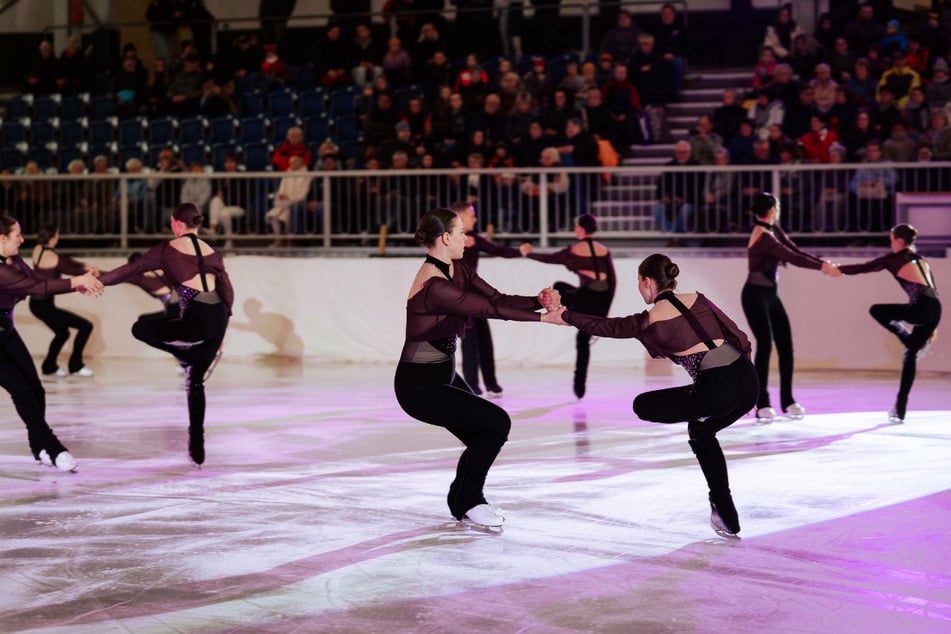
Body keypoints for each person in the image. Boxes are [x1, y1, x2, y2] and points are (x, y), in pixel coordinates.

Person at [547, 254, 757, 539]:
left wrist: (565, 316)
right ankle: (726, 513)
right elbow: (740, 337)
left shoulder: (651, 318)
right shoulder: (699, 299)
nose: (639, 287)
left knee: (643, 405)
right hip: (748, 381)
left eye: (638, 281)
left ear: (647, 282)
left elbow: (605, 326)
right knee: (701, 431)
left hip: (716, 391)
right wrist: (748, 394)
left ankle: (724, 508)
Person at [393, 207, 561, 529]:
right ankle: (469, 500)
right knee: (496, 423)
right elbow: (488, 309)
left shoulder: (459, 269)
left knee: (486, 432)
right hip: (418, 386)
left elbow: (498, 298)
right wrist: (544, 319)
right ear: (445, 238)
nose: (466, 238)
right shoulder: (433, 285)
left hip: (443, 374)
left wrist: (538, 300)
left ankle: (462, 500)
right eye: (461, 233)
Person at [98, 203, 232, 466]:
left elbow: (131, 269)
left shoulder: (167, 248)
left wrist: (98, 281)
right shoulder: (213, 251)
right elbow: (227, 291)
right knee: (195, 382)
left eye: (172, 223)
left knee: (140, 329)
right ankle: (197, 445)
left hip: (195, 320)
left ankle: (183, 354)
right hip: (217, 317)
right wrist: (222, 329)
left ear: (177, 223)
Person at [0, 216, 102, 471]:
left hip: (6, 332)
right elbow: (37, 288)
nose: (22, 239)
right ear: (2, 238)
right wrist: (77, 281)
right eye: (17, 235)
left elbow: (37, 282)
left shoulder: (13, 259)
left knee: (37, 390)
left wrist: (77, 285)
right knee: (21, 391)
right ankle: (54, 448)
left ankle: (39, 449)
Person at [742, 193, 835, 422]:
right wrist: (823, 268)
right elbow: (794, 258)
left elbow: (796, 251)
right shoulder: (764, 235)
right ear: (773, 209)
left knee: (785, 345)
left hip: (770, 295)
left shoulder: (773, 229)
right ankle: (762, 403)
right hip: (755, 295)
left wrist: (823, 263)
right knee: (765, 344)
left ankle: (788, 400)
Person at [834, 224, 940, 423]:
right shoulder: (921, 260)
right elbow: (933, 288)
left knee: (877, 310)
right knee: (910, 355)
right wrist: (933, 325)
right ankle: (899, 409)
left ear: (899, 241)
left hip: (921, 308)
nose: (890, 244)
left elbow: (866, 267)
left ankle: (907, 339)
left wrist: (839, 269)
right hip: (935, 308)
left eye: (891, 240)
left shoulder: (895, 259)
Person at [523, 214, 615, 398]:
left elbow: (550, 258)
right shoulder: (604, 250)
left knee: (559, 287)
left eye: (575, 227)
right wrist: (604, 313)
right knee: (583, 340)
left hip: (585, 300)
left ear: (580, 229)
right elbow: (612, 283)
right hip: (601, 302)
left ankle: (563, 314)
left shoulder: (574, 251)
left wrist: (528, 253)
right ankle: (580, 387)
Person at [452, 201, 524, 398]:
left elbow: (498, 250)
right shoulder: (447, 239)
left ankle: (491, 383)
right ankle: (472, 386)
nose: (475, 219)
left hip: (476, 297)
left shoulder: (475, 238)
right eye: (471, 215)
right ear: (460, 218)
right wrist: (457, 241)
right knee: (469, 341)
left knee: (484, 339)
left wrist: (521, 251)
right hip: (460, 299)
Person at [28, 225, 98, 378]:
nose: (58, 238)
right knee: (86, 326)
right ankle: (76, 366)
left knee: (62, 333)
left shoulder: (37, 249)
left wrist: (82, 266)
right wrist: (88, 269)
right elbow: (71, 267)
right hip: (43, 306)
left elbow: (67, 263)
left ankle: (49, 367)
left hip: (37, 304)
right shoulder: (53, 258)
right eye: (57, 235)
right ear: (53, 237)